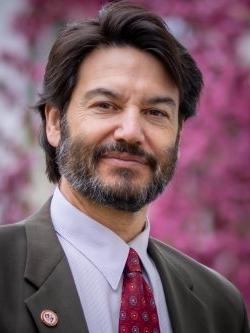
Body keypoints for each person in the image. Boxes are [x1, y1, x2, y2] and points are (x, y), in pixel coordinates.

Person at [0, 1, 249, 333]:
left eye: (156, 112)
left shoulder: (219, 307)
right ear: (55, 122)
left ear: (178, 134)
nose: (131, 132)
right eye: (106, 105)